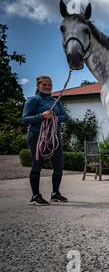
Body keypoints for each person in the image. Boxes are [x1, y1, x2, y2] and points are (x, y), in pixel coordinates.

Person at [22, 75, 70, 206]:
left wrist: (53, 117)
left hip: (54, 137)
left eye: (50, 85)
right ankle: (35, 196)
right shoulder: (34, 100)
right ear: (38, 86)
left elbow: (66, 117)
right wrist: (42, 116)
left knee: (59, 165)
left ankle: (55, 194)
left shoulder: (56, 101)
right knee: (37, 164)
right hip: (36, 135)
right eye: (44, 84)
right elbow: (25, 119)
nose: (48, 87)